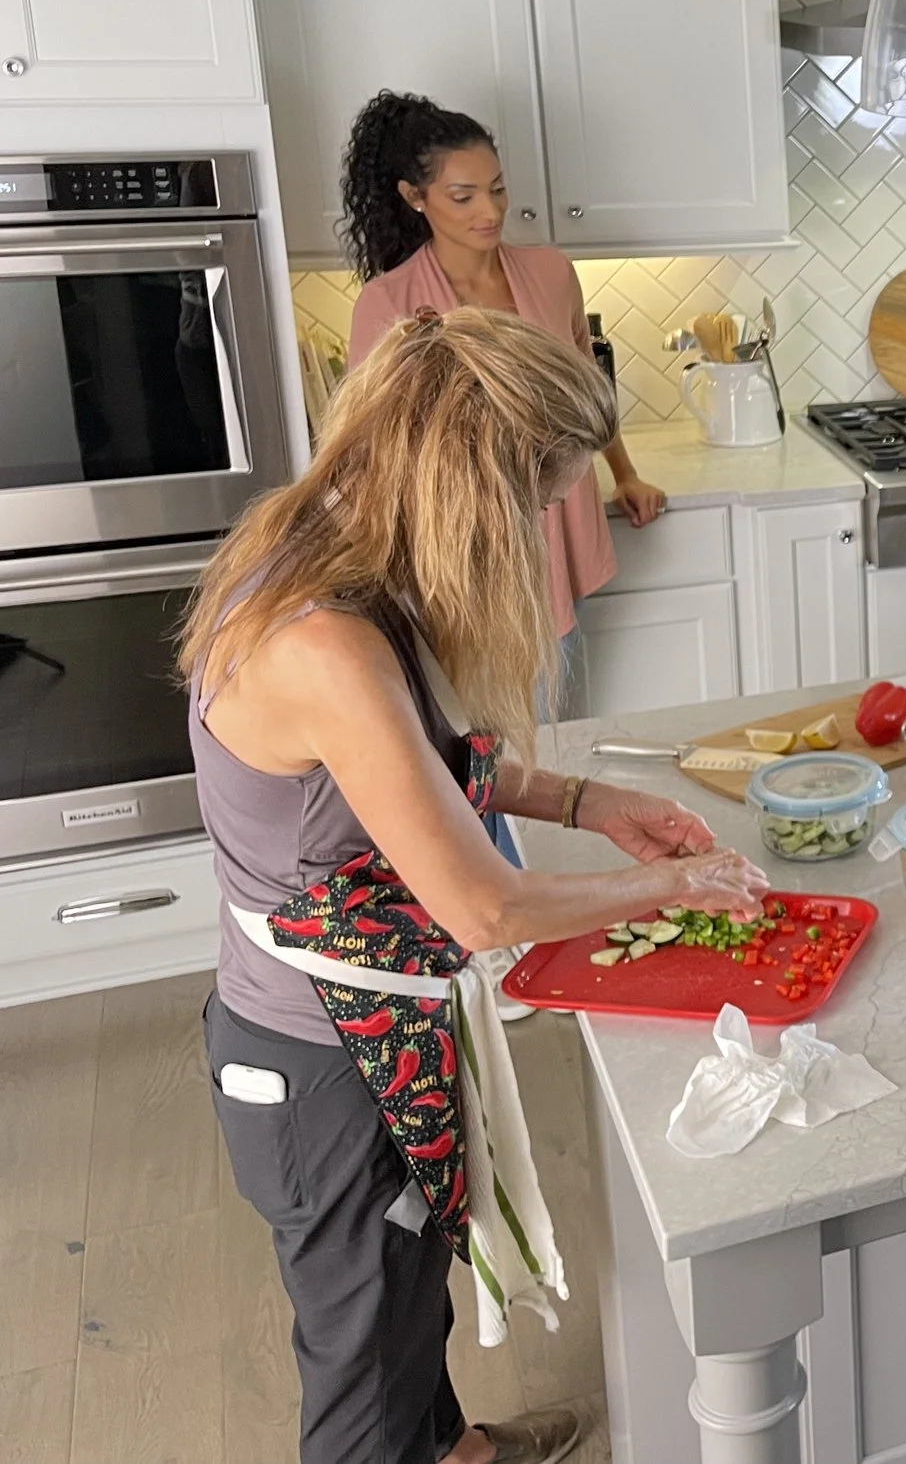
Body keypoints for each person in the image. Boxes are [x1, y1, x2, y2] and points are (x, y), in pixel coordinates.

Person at [188, 307, 770, 1464]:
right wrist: (679, 887)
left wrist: (586, 802)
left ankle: (455, 1451)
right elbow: (485, 910)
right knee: (359, 1363)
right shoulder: (324, 643)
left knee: (411, 1290)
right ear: (468, 486)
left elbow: (419, 765)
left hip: (364, 1026)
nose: (543, 523)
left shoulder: (335, 550)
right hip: (316, 1065)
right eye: (538, 496)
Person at [342, 91, 666, 729]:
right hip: (465, 547)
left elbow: (582, 385)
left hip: (555, 520)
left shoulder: (549, 272)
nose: (490, 211)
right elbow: (371, 447)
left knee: (553, 729)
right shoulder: (389, 304)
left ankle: (537, 827)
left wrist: (623, 473)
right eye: (463, 197)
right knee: (484, 743)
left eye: (496, 189)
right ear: (415, 197)